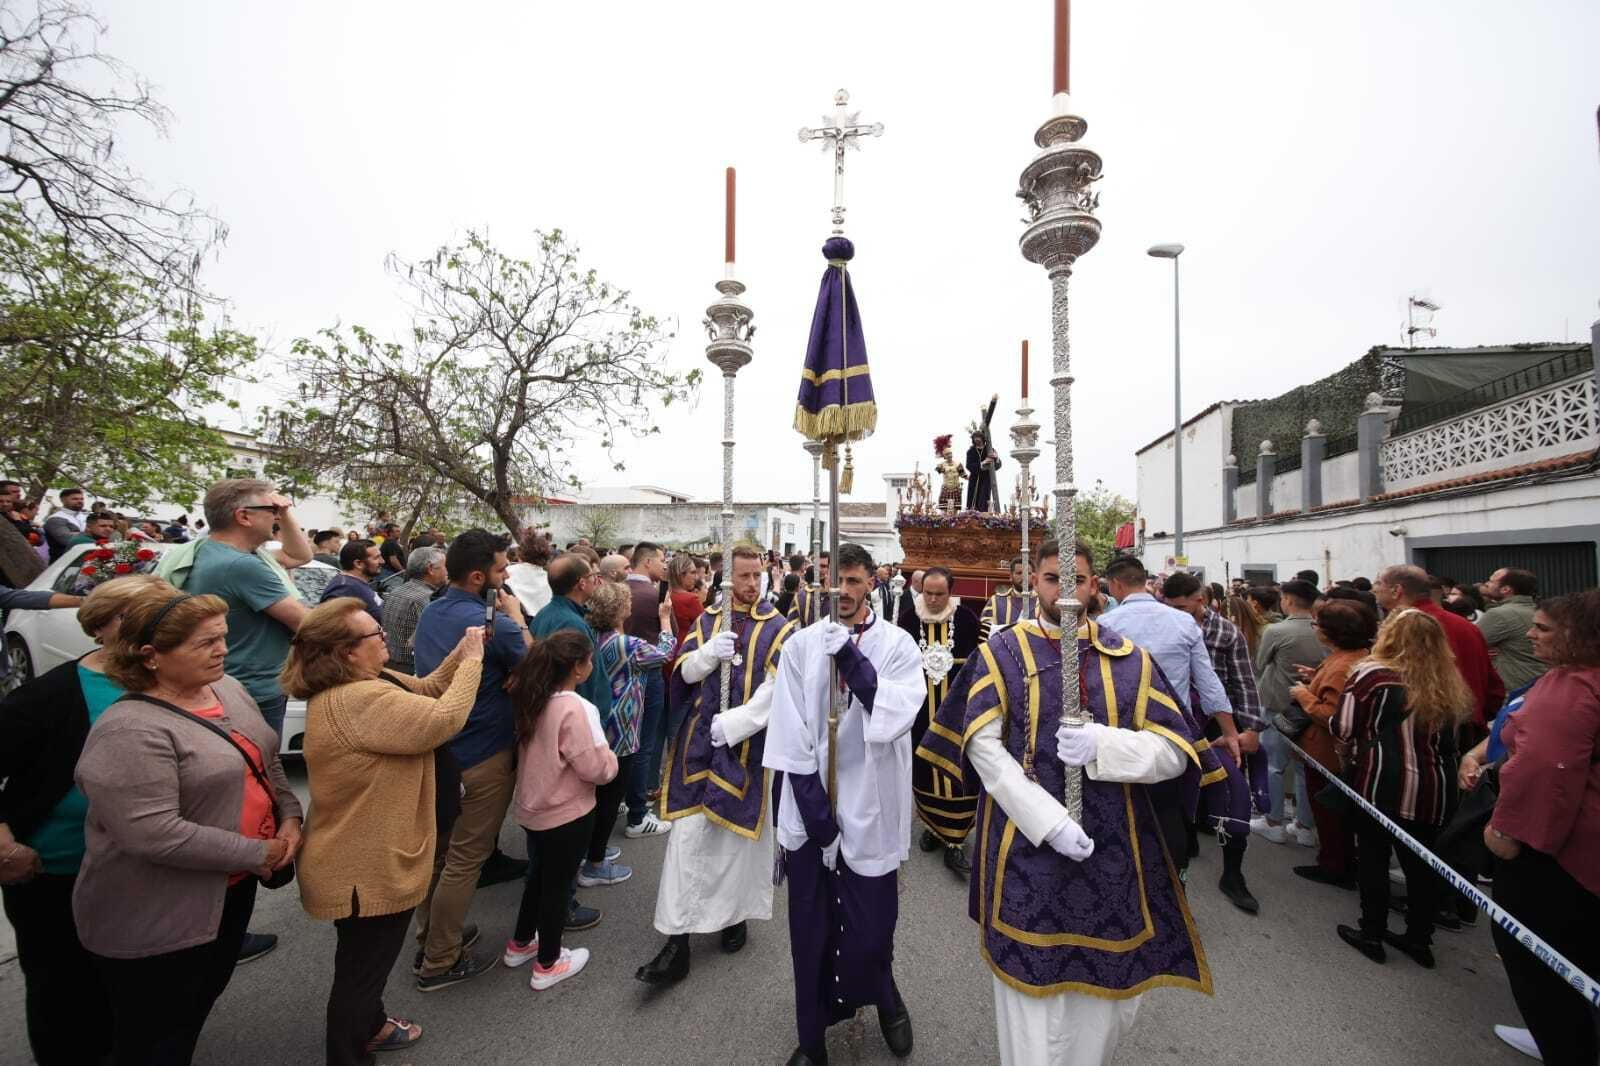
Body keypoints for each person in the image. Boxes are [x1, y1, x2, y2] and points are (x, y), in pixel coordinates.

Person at [915, 540, 1211, 1065]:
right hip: (1024, 850)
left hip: (1113, 850)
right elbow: (982, 749)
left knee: (1104, 1002)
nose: (1064, 590)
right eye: (1052, 579)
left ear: (1095, 586)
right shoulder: (1001, 654)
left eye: (1075, 579)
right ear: (1035, 584)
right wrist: (1047, 822)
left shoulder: (1130, 660)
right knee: (1028, 993)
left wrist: (1108, 746)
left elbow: (1175, 751)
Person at [73, 587, 304, 1064]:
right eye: (205, 643)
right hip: (155, 915)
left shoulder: (227, 688)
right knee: (154, 1035)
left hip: (228, 890)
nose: (222, 650)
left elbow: (265, 758)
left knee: (194, 1007)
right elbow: (154, 833)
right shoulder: (130, 730)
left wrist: (289, 816)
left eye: (222, 637)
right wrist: (259, 853)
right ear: (151, 657)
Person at [287, 599, 485, 1065]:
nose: (386, 639)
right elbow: (443, 719)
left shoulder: (372, 683)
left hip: (363, 859)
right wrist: (475, 663)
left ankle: (371, 1025)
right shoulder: (358, 700)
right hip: (363, 866)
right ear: (345, 652)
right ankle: (349, 1052)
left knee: (363, 964)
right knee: (360, 975)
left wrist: (461, 651)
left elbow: (430, 688)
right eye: (374, 634)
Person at [762, 542, 924, 1066]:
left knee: (871, 932)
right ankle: (812, 1041)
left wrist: (851, 660)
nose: (844, 593)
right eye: (835, 581)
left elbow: (897, 714)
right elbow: (788, 736)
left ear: (872, 582)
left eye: (854, 581)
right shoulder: (800, 647)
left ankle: (885, 992)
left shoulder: (898, 644)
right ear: (819, 583)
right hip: (813, 813)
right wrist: (818, 821)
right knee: (810, 934)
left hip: (872, 807)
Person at [0, 574, 162, 1066]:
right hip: (59, 872)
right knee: (63, 994)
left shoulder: (177, 683)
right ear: (101, 627)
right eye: (136, 620)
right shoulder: (48, 697)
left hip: (148, 872)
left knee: (136, 991)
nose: (152, 632)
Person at [638, 545, 797, 987]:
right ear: (726, 580)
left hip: (745, 748)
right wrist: (708, 656)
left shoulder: (780, 628)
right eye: (741, 577)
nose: (750, 584)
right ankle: (676, 941)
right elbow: (683, 673)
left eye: (755, 576)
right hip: (700, 747)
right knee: (688, 841)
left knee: (736, 845)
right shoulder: (709, 622)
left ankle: (734, 915)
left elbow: (778, 687)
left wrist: (739, 722)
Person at [183, 477, 314, 963]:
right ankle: (221, 928)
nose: (277, 516)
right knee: (244, 799)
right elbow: (306, 621)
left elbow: (298, 557)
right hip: (253, 690)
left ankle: (219, 925)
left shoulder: (220, 554)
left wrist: (285, 511)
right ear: (243, 516)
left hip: (240, 686)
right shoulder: (241, 565)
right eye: (269, 510)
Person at [1478, 590, 1600, 1064]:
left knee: (1541, 961)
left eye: (1543, 628)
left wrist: (1511, 835)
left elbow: (1548, 770)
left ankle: (1563, 1044)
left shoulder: (1571, 687)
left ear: (1582, 637)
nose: (1530, 634)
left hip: (1561, 856)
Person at [410, 529, 533, 990]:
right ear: (479, 575)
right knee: (466, 859)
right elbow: (537, 664)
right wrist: (517, 619)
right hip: (484, 752)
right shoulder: (495, 623)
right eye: (502, 570)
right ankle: (440, 959)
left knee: (440, 857)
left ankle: (434, 935)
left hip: (441, 752)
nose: (506, 579)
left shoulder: (431, 613)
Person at [1328, 608, 1471, 968]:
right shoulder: (1449, 679)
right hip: (1436, 786)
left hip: (1382, 780)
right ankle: (1419, 939)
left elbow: (1343, 727)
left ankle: (1371, 931)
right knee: (1421, 865)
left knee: (1373, 858)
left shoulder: (1373, 675)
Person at [504, 630, 618, 990]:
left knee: (537, 878)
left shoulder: (531, 695)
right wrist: (611, 761)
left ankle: (522, 941)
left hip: (532, 807)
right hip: (566, 813)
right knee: (556, 885)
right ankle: (548, 962)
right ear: (577, 668)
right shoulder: (575, 707)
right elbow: (594, 767)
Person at [1162, 570, 1268, 914]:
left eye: (1185, 608)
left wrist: (1249, 728)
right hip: (1174, 726)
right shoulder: (1161, 626)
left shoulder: (1225, 632)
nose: (1179, 616)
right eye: (1171, 607)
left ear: (1201, 602)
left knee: (1234, 796)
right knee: (1176, 799)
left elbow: (1244, 681)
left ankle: (1233, 874)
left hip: (1215, 730)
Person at [528, 553, 615, 925]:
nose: (598, 581)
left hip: (552, 724)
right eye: (594, 576)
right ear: (581, 583)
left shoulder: (551, 615)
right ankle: (562, 904)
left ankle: (552, 897)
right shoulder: (567, 623)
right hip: (571, 729)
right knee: (565, 830)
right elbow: (587, 687)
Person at [580, 580, 668, 887]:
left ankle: (593, 850)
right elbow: (666, 653)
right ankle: (595, 862)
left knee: (599, 795)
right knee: (608, 798)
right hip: (623, 725)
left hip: (603, 720)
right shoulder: (627, 644)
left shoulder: (595, 637)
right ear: (619, 609)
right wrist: (666, 620)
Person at [1285, 598, 1377, 888]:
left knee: (1329, 813)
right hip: (1327, 751)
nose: (1314, 628)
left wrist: (1303, 694)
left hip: (1327, 752)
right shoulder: (1348, 657)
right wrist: (1315, 679)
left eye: (1318, 624)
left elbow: (1332, 715)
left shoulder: (1343, 664)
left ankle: (1335, 864)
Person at [898, 565, 981, 878]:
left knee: (957, 774)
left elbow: (980, 665)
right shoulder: (907, 620)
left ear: (950, 592)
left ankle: (956, 839)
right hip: (920, 715)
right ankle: (933, 827)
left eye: (939, 594)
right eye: (927, 593)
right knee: (924, 771)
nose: (932, 599)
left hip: (957, 714)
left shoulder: (967, 621)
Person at [1374, 565, 1505, 734]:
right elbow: (1494, 687)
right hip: (1470, 725)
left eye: (1378, 582)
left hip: (1428, 733)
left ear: (1396, 590)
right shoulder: (1465, 625)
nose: (1374, 588)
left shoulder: (1403, 631)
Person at [1250, 579, 1327, 847]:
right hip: (1312, 706)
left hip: (1279, 703)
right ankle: (1304, 825)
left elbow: (1260, 664)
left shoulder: (1276, 630)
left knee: (1274, 763)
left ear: (1290, 600)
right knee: (1303, 766)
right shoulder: (1324, 630)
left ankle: (1274, 821)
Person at [625, 542, 674, 838]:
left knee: (624, 740)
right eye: (661, 559)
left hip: (618, 671)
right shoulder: (652, 596)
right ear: (646, 563)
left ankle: (625, 798)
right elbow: (671, 640)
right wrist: (667, 618)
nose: (664, 565)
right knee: (646, 741)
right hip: (648, 671)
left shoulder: (618, 589)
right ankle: (638, 813)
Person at [1475, 568, 1546, 694]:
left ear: (1506, 589)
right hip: (1538, 683)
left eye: (1491, 581)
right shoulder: (1541, 611)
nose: (1486, 584)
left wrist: (1482, 651)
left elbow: (1469, 644)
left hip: (1514, 688)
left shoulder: (1499, 614)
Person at [381, 546, 448, 675]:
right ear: (430, 569)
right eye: (445, 566)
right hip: (411, 670)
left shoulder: (396, 591)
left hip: (388, 665)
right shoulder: (426, 598)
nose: (447, 571)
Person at [320, 539, 385, 627]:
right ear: (358, 564)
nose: (382, 561)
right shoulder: (344, 589)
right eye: (376, 558)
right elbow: (331, 629)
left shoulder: (354, 584)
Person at [979, 557, 1032, 640]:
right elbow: (984, 632)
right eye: (1019, 573)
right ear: (1010, 576)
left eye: (1028, 573)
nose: (1024, 577)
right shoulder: (996, 601)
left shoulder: (1041, 603)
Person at [505, 529, 553, 618]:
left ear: (520, 553)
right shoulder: (550, 578)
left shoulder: (508, 572)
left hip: (517, 620)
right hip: (545, 622)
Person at [41, 487, 89, 561]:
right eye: (75, 499)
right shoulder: (55, 519)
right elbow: (67, 539)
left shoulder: (85, 516)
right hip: (61, 562)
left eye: (81, 499)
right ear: (63, 500)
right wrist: (90, 534)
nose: (80, 501)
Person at [788, 551, 830, 627]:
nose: (819, 570)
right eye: (817, 566)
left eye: (823, 566)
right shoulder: (802, 595)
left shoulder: (838, 595)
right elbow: (792, 626)